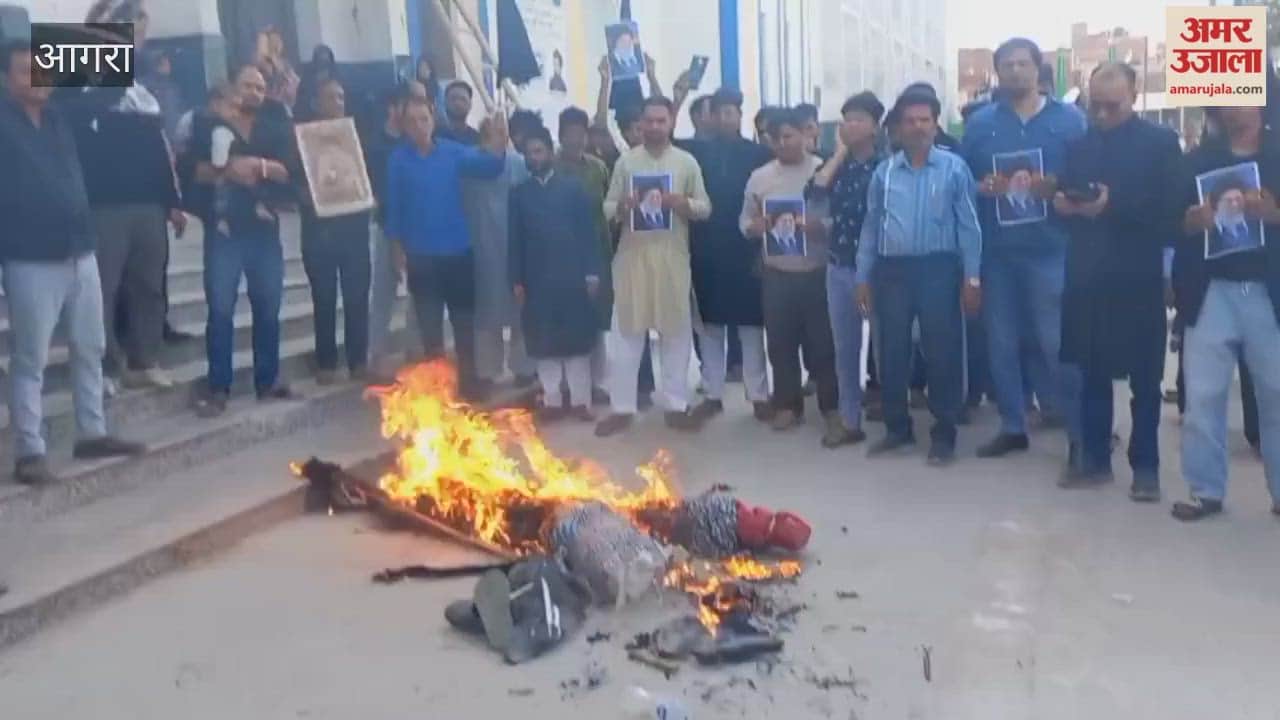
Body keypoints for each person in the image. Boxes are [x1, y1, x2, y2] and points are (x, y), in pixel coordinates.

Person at [0, 44, 145, 484]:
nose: (37, 80)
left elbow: (103, 84)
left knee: (90, 346)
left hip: (81, 251)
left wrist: (116, 35)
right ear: (6, 79)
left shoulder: (61, 117)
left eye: (42, 71)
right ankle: (29, 451)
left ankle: (92, 431)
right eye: (26, 72)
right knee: (31, 358)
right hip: (29, 257)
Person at [1055, 62, 1182, 500]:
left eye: (1113, 105)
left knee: (1145, 382)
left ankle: (1145, 468)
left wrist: (1112, 206)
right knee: (1091, 374)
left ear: (1135, 94)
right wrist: (1065, 204)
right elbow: (1067, 197)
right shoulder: (1078, 145)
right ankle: (1093, 460)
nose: (1103, 114)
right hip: (1088, 275)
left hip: (1138, 276)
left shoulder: (1161, 143)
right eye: (1096, 105)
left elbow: (1169, 210)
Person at [960, 37, 1087, 460]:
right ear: (998, 72)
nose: (1015, 71)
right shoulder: (980, 124)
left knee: (1057, 343)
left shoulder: (1070, 121)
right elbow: (965, 185)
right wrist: (983, 187)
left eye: (1022, 64)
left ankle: (1082, 427)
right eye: (1007, 65)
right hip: (997, 252)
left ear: (1038, 69)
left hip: (1052, 248)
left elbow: (1088, 176)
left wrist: (1058, 188)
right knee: (1001, 343)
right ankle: (1013, 425)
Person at [856, 89, 983, 466]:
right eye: (910, 121)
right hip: (892, 271)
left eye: (924, 120)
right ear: (899, 127)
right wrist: (863, 277)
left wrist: (972, 279)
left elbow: (970, 228)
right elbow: (870, 227)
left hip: (938, 270)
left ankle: (944, 434)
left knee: (942, 351)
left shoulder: (954, 169)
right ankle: (898, 429)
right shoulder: (885, 171)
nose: (917, 127)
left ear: (935, 124)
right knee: (891, 351)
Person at [60, 33, 188, 392]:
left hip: (148, 206)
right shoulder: (78, 96)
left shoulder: (144, 99)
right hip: (103, 207)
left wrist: (172, 200)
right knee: (103, 290)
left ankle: (146, 359)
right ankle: (106, 367)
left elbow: (158, 152)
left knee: (149, 286)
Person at [1172, 104, 1280, 521]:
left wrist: (1273, 215)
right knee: (1202, 397)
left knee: (1276, 395)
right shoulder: (1197, 161)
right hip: (1211, 289)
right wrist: (1191, 221)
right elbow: (1171, 224)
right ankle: (1206, 491)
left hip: (1269, 292)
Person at [596, 95, 712, 437]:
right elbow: (606, 208)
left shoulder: (686, 163)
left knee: (675, 333)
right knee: (626, 335)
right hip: (632, 260)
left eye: (661, 121)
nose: (655, 127)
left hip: (672, 259)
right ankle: (622, 407)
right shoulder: (626, 163)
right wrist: (623, 207)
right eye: (649, 121)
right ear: (641, 124)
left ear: (671, 123)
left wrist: (684, 203)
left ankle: (676, 403)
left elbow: (705, 207)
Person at [384, 98, 508, 401]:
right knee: (430, 332)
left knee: (465, 327)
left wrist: (499, 139)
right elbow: (394, 208)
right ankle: (439, 391)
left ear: (433, 120)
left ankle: (469, 384)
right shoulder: (398, 160)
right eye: (412, 121)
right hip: (421, 258)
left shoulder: (453, 153)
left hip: (459, 254)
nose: (419, 126)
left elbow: (490, 166)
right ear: (404, 126)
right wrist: (396, 248)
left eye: (424, 119)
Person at [192, 65, 298, 417]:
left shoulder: (276, 129)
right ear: (232, 91)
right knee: (220, 309)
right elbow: (193, 170)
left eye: (260, 86)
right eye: (246, 85)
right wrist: (227, 169)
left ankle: (267, 380)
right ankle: (218, 387)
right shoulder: (207, 127)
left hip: (264, 232)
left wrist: (258, 166)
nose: (253, 92)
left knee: (268, 307)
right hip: (224, 232)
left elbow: (290, 173)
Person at [741, 109, 839, 440]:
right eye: (776, 138)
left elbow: (843, 220)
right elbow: (744, 222)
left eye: (789, 136)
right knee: (780, 344)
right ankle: (787, 406)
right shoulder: (760, 177)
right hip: (777, 273)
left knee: (824, 344)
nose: (782, 143)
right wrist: (755, 227)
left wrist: (819, 227)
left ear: (805, 134)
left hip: (817, 272)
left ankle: (831, 408)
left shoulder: (825, 172)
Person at [683, 88, 774, 424]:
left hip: (746, 249)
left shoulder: (759, 154)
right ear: (708, 117)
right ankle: (712, 394)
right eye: (717, 112)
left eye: (730, 112)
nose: (724, 118)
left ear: (739, 115)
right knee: (710, 328)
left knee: (751, 328)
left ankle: (759, 395)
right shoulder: (696, 153)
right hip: (706, 251)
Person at [809, 90, 885, 447]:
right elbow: (815, 194)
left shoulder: (886, 166)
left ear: (875, 127)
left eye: (859, 119)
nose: (851, 126)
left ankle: (894, 417)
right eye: (847, 119)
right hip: (839, 266)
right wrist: (839, 151)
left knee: (886, 347)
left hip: (878, 271)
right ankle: (849, 420)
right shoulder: (835, 165)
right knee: (845, 347)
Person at [510, 127, 603, 422]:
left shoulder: (573, 188)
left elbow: (588, 233)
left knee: (577, 341)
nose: (533, 158)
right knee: (543, 343)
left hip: (572, 275)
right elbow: (514, 240)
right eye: (528, 154)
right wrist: (516, 280)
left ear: (550, 152)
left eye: (538, 151)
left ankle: (580, 401)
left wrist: (591, 273)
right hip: (536, 280)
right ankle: (551, 401)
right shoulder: (519, 194)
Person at [296, 77, 371, 385]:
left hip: (354, 230)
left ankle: (358, 362)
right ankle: (326, 363)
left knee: (357, 298)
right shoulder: (301, 140)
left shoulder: (355, 138)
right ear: (316, 102)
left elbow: (366, 177)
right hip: (319, 232)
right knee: (323, 297)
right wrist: (310, 195)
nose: (337, 103)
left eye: (341, 97)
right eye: (330, 97)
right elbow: (294, 181)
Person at [462, 107, 536, 392]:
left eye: (505, 132)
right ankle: (488, 370)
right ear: (484, 136)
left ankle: (524, 368)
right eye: (498, 132)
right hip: (481, 246)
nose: (504, 137)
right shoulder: (469, 164)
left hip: (515, 244)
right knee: (485, 314)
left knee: (521, 310)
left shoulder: (518, 163)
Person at [366, 81, 427, 377]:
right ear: (396, 108)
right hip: (386, 226)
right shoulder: (375, 143)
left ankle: (415, 350)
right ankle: (376, 355)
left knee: (419, 294)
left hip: (419, 229)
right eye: (412, 105)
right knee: (383, 294)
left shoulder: (419, 145)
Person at [556, 107, 614, 400]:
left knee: (597, 320)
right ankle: (566, 386)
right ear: (561, 134)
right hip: (560, 257)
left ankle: (597, 384)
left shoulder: (597, 168)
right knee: (565, 320)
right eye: (571, 132)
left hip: (597, 253)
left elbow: (607, 210)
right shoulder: (550, 167)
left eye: (582, 132)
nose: (576, 138)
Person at [294, 44, 338, 122]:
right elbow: (301, 106)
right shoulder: (306, 82)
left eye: (326, 62)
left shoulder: (337, 80)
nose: (323, 65)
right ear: (315, 62)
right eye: (320, 61)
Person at [437, 81, 481, 145]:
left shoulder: (478, 140)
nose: (458, 103)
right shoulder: (433, 137)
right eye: (453, 99)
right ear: (445, 103)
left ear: (470, 105)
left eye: (463, 99)